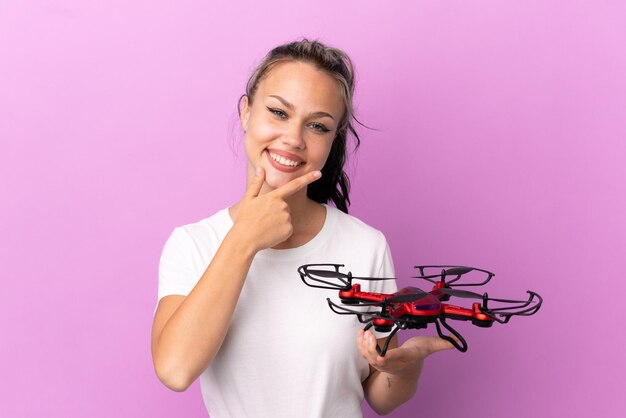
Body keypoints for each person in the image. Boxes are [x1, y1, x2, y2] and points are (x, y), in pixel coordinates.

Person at [151, 38, 453, 417]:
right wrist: (243, 240)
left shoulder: (365, 245)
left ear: (333, 140)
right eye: (278, 112)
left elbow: (380, 396)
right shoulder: (193, 244)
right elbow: (176, 370)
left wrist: (405, 368)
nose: (293, 139)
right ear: (246, 112)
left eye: (317, 126)